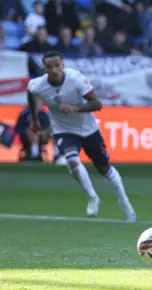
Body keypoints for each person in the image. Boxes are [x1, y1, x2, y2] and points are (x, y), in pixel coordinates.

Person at [27, 51, 136, 220]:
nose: (55, 70)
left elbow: (97, 104)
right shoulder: (38, 85)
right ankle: (93, 197)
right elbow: (31, 94)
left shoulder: (75, 79)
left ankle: (124, 201)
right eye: (50, 67)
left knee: (104, 168)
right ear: (45, 69)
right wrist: (35, 119)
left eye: (57, 66)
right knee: (72, 160)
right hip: (63, 129)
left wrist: (75, 108)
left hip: (88, 128)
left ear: (63, 65)